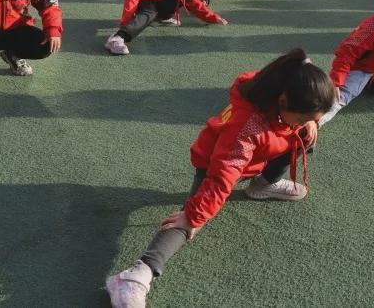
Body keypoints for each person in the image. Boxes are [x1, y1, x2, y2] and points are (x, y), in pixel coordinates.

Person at [105, 50, 335, 308]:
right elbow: (222, 176)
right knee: (191, 218)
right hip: (215, 164)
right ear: (283, 101)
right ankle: (136, 276)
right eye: (303, 117)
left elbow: (304, 65)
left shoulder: (287, 81)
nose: (305, 122)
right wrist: (195, 216)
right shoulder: (247, 126)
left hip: (251, 157)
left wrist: (308, 124)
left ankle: (264, 184)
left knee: (305, 137)